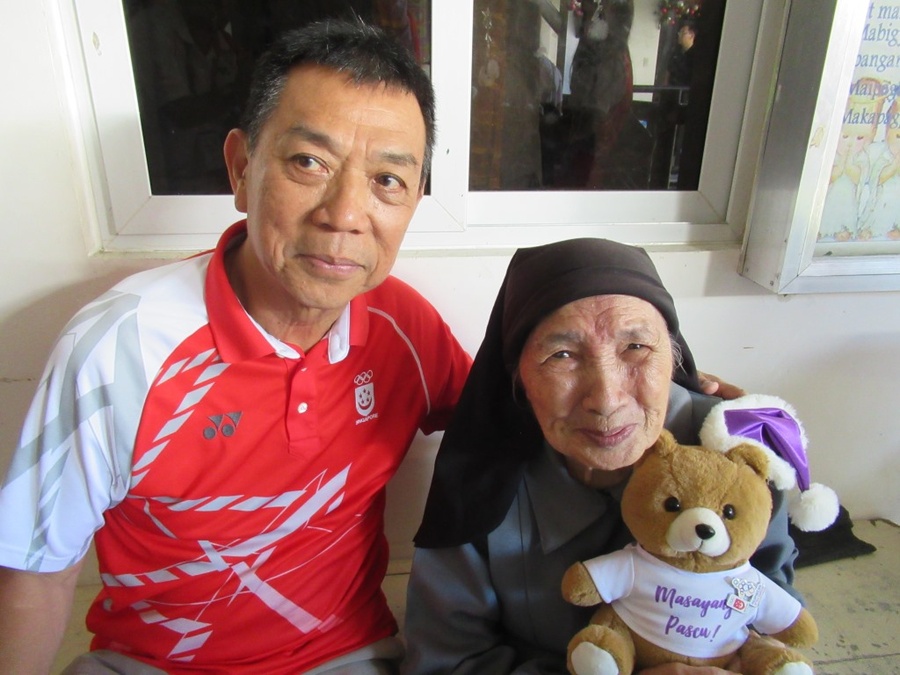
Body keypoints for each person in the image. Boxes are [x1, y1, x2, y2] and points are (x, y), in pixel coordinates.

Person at [0, 20, 472, 675]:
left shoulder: (404, 329)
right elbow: (36, 575)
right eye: (309, 162)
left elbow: (523, 424)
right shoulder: (119, 348)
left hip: (348, 658)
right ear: (242, 167)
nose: (344, 214)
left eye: (388, 180)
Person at [401, 238, 800, 674]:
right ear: (519, 381)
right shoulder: (479, 475)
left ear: (674, 357)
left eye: (636, 348)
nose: (607, 400)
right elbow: (445, 662)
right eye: (563, 355)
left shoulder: (735, 451)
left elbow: (772, 614)